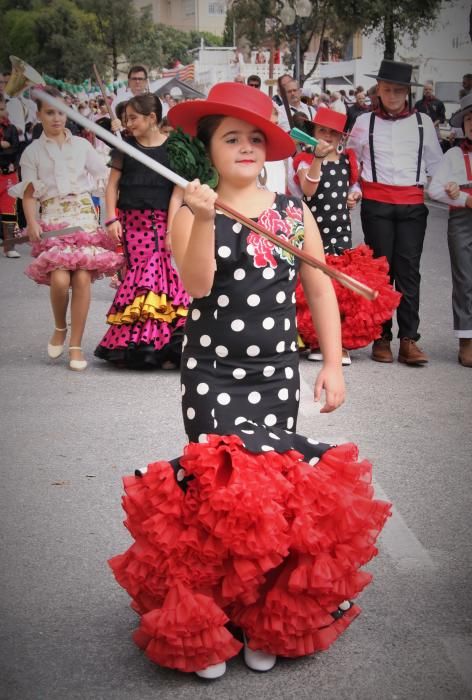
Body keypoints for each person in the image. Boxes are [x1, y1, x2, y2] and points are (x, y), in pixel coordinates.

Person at [109, 82, 390, 680]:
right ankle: (211, 623)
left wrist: (334, 365)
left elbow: (320, 287)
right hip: (210, 372)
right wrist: (204, 216)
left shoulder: (293, 211)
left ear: (269, 150)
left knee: (271, 495)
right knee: (218, 496)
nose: (245, 148)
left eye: (255, 139)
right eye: (231, 138)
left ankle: (264, 619)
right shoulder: (188, 203)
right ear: (208, 149)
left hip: (274, 374)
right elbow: (197, 283)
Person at [9, 87, 123, 370]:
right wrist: (32, 222)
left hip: (83, 216)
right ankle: (60, 326)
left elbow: (106, 175)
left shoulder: (82, 146)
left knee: (82, 278)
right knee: (60, 280)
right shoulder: (32, 151)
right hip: (54, 219)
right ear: (39, 115)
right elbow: (30, 193)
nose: (57, 118)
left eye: (61, 111)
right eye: (50, 112)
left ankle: (75, 345)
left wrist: (122, 144)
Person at [348, 59, 443, 365]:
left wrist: (448, 188)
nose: (392, 95)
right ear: (378, 91)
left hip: (412, 205)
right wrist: (354, 189)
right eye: (387, 89)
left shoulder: (423, 123)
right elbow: (353, 164)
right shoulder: (365, 123)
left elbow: (437, 166)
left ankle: (408, 339)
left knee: (408, 272)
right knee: (380, 272)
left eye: (398, 90)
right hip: (377, 205)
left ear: (407, 92)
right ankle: (381, 336)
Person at [292, 107, 399, 366]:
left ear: (341, 137)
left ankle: (337, 343)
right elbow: (308, 188)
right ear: (312, 133)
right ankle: (314, 339)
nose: (326, 137)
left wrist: (354, 195)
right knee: (312, 286)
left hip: (339, 232)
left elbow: (352, 185)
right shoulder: (304, 160)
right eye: (321, 131)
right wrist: (318, 158)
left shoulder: (347, 160)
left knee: (338, 289)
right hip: (312, 231)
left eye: (332, 133)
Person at [94, 94, 189, 369]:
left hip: (159, 223)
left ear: (151, 118)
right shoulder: (124, 148)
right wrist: (111, 219)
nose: (128, 123)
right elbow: (111, 186)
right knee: (141, 279)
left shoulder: (175, 149)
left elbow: (176, 195)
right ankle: (143, 342)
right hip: (130, 223)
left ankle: (158, 344)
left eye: (133, 118)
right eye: (126, 118)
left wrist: (172, 230)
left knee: (156, 277)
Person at [428, 93, 472, 367]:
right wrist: (459, 196)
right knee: (465, 281)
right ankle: (467, 340)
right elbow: (434, 190)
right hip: (463, 223)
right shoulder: (455, 154)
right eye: (469, 118)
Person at [0, 95, 21, 258]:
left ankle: (10, 247)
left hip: (8, 175)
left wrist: (6, 149)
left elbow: (14, 148)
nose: (2, 112)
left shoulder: (11, 128)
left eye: (2, 109)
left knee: (9, 211)